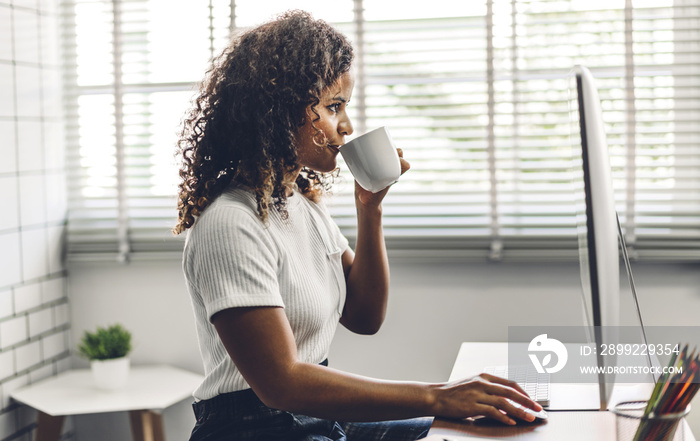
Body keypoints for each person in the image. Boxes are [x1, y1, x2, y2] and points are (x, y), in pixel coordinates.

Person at [173, 10, 543, 441]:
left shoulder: (301, 205)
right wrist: (436, 395)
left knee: (463, 427)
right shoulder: (229, 223)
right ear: (278, 109)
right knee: (443, 415)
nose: (346, 127)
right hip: (256, 426)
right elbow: (281, 384)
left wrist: (371, 209)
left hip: (312, 415)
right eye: (333, 107)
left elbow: (365, 315)